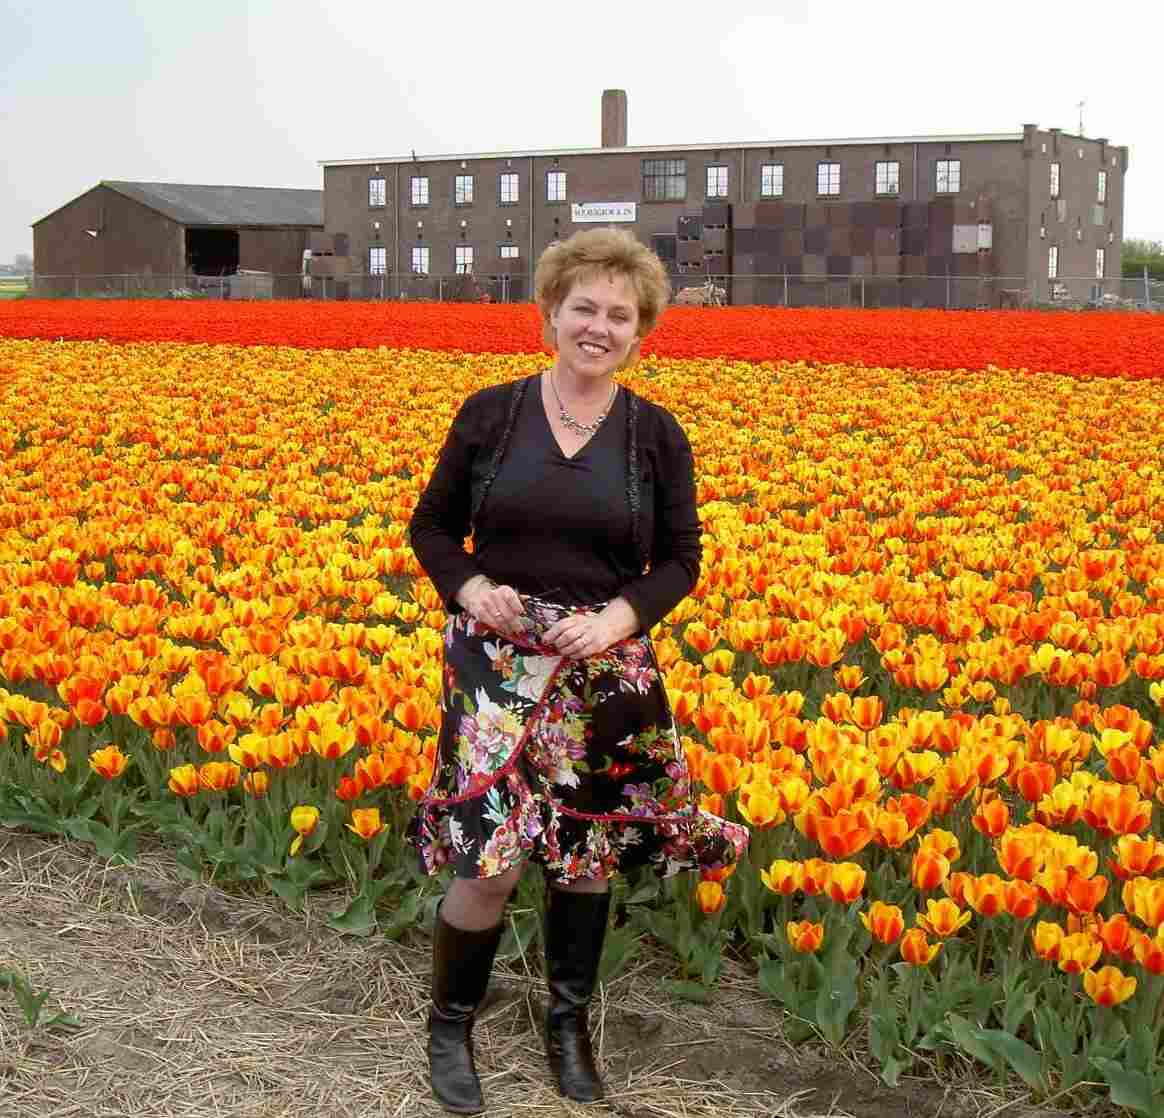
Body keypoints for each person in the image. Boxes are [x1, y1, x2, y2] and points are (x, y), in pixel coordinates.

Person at [408, 226, 748, 1115]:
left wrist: (619, 619)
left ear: (642, 334)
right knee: (488, 862)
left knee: (584, 856)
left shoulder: (655, 435)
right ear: (551, 314)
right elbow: (432, 529)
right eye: (584, 308)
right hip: (496, 665)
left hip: (603, 668)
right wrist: (471, 585)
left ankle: (567, 1024)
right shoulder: (491, 413)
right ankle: (453, 1024)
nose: (599, 326)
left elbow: (682, 559)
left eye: (620, 316)